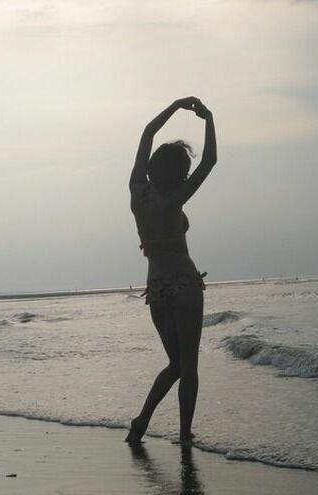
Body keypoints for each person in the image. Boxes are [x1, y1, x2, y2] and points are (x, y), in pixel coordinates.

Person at [126, 97, 217, 445]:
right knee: (188, 366)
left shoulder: (138, 194)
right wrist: (208, 118)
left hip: (157, 289)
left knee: (175, 364)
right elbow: (210, 161)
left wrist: (176, 106)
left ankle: (141, 422)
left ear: (152, 167)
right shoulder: (173, 200)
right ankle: (183, 434)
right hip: (184, 284)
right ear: (179, 174)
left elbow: (148, 132)